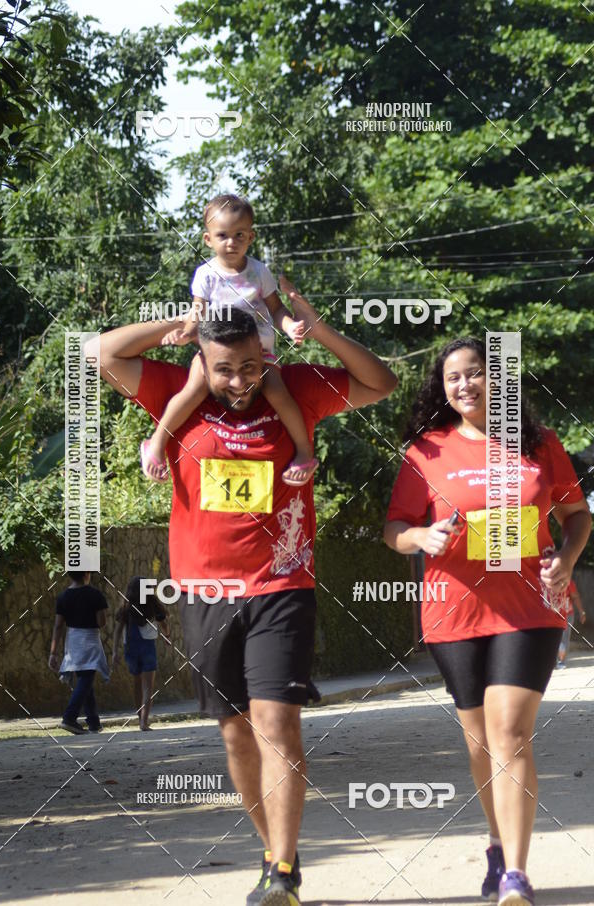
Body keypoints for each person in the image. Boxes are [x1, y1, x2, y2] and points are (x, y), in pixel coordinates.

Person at [90, 280, 397, 906]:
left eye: (251, 367)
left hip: (282, 583)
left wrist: (314, 324)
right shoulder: (177, 393)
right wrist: (179, 323)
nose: (239, 382)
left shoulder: (296, 391)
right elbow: (103, 353)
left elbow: (379, 382)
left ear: (266, 354)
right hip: (205, 591)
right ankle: (271, 851)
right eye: (225, 369)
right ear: (202, 360)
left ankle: (282, 872)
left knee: (276, 721)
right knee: (234, 734)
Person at [383, 338, 591, 906]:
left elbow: (576, 516)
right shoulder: (426, 450)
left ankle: (517, 875)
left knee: (510, 733)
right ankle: (497, 843)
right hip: (454, 608)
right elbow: (395, 526)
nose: (466, 385)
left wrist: (566, 560)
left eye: (476, 373)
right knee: (479, 740)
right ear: (442, 389)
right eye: (454, 378)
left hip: (531, 604)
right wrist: (421, 536)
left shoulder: (539, 444)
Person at [140, 193, 318, 487]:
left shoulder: (259, 272)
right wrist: (185, 333)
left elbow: (276, 308)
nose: (231, 242)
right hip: (216, 354)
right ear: (208, 239)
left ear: (251, 236)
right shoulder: (206, 275)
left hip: (258, 354)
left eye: (239, 235)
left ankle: (304, 452)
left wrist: (289, 327)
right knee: (192, 390)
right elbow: (196, 313)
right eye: (222, 236)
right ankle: (156, 444)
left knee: (278, 393)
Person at [49, 571, 110, 734]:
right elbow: (101, 622)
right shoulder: (95, 594)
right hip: (90, 639)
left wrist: (53, 653)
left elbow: (58, 626)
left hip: (72, 640)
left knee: (84, 678)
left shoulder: (63, 597)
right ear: (86, 574)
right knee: (87, 677)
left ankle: (94, 723)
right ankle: (69, 717)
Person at [112, 575, 170, 730]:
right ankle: (144, 722)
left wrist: (115, 651)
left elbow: (118, 630)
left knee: (137, 684)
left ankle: (140, 718)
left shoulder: (126, 607)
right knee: (148, 687)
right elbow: (163, 623)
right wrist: (167, 636)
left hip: (130, 647)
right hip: (147, 647)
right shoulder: (153, 604)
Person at [556, 578, 586, 668]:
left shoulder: (568, 582)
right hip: (551, 614)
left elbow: (575, 596)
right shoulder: (545, 579)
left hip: (566, 614)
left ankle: (561, 662)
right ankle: (555, 661)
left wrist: (581, 612)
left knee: (563, 638)